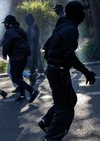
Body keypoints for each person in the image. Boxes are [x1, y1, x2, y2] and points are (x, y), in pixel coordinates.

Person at [38, 1, 96, 140]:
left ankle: (46, 122)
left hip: (55, 70)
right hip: (58, 71)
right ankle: (52, 138)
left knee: (70, 100)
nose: (85, 14)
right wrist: (86, 72)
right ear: (77, 14)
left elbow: (47, 46)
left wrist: (53, 62)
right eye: (83, 11)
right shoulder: (70, 29)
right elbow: (69, 55)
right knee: (65, 109)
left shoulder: (63, 25)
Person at [0, 15, 39, 102]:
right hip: (23, 56)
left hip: (16, 57)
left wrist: (4, 54)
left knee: (15, 77)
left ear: (8, 23)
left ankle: (32, 91)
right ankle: (22, 95)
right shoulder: (20, 29)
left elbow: (7, 45)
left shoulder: (9, 32)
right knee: (19, 76)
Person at [25, 13, 45, 86]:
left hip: (33, 47)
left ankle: (36, 74)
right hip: (35, 46)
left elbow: (32, 38)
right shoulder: (34, 26)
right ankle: (39, 73)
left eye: (27, 20)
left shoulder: (32, 26)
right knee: (37, 60)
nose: (26, 21)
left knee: (34, 61)